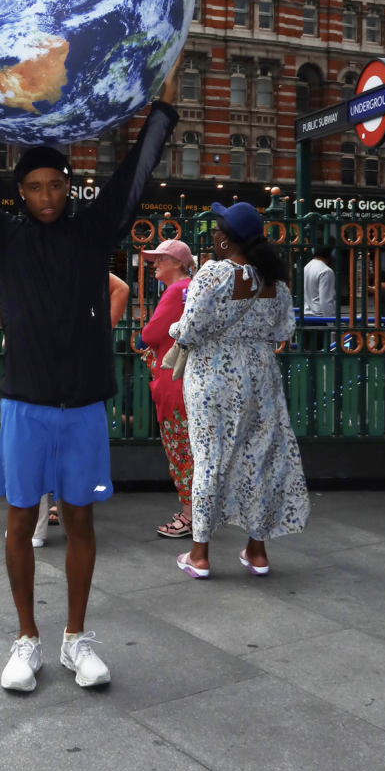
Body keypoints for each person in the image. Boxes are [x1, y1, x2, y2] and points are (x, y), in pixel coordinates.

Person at [0, 49, 179, 692]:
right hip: (28, 405)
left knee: (80, 520)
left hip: (83, 405)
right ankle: (26, 638)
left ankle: (75, 639)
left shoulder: (93, 232)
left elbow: (136, 173)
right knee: (20, 520)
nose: (46, 197)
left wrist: (163, 107)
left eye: (55, 185)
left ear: (69, 186)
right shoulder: (3, 239)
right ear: (21, 193)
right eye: (33, 188)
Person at [170, 201, 309, 579]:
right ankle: (257, 551)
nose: (212, 235)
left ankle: (199, 555)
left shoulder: (213, 275)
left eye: (217, 230)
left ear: (228, 242)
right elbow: (285, 332)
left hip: (213, 375)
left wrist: (174, 332)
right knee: (260, 457)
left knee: (209, 457)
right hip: (261, 375)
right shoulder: (274, 282)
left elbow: (190, 329)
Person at [0, 272, 130, 548]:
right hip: (55, 379)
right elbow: (119, 287)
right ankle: (63, 526)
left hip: (38, 378)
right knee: (64, 467)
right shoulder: (74, 263)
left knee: (33, 463)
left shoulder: (31, 263)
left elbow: (119, 288)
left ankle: (43, 528)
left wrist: (102, 330)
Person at [138, 240, 195, 538]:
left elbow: (150, 333)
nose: (154, 263)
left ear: (176, 263)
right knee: (190, 449)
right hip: (187, 381)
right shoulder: (190, 288)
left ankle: (188, 517)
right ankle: (194, 511)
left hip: (173, 384)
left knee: (180, 451)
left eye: (160, 258)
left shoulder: (175, 292)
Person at [303, 245, 335, 318]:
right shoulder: (326, 271)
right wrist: (331, 324)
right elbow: (325, 301)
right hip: (320, 316)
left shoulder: (307, 267)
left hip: (306, 314)